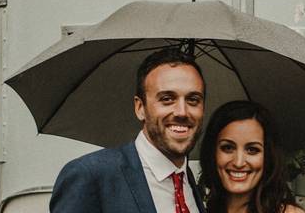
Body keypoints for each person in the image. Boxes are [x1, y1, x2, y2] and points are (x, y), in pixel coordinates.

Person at [50, 47, 207, 213]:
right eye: (167, 99)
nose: (182, 112)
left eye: (193, 100)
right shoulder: (90, 176)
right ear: (140, 108)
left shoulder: (186, 179)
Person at [198, 101, 304, 213]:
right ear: (212, 153)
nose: (238, 163)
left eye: (252, 150)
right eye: (228, 148)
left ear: (268, 156)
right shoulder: (198, 207)